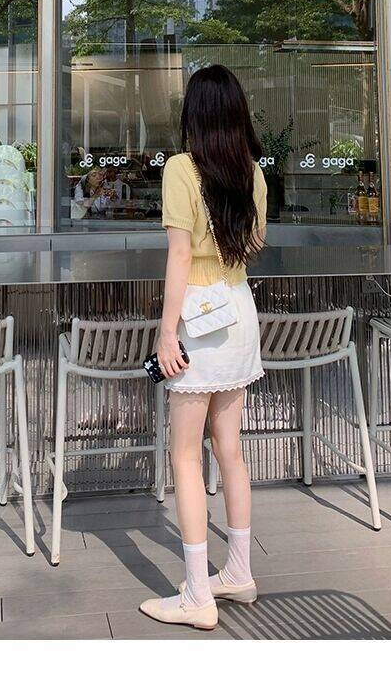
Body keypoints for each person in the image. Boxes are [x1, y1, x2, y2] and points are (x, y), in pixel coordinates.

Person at [139, 65, 267, 631]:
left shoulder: (180, 170)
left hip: (197, 316)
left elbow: (178, 255)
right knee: (230, 450)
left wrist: (166, 330)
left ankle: (197, 594)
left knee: (186, 456)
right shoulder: (253, 173)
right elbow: (255, 243)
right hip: (239, 309)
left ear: (195, 114)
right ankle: (237, 572)